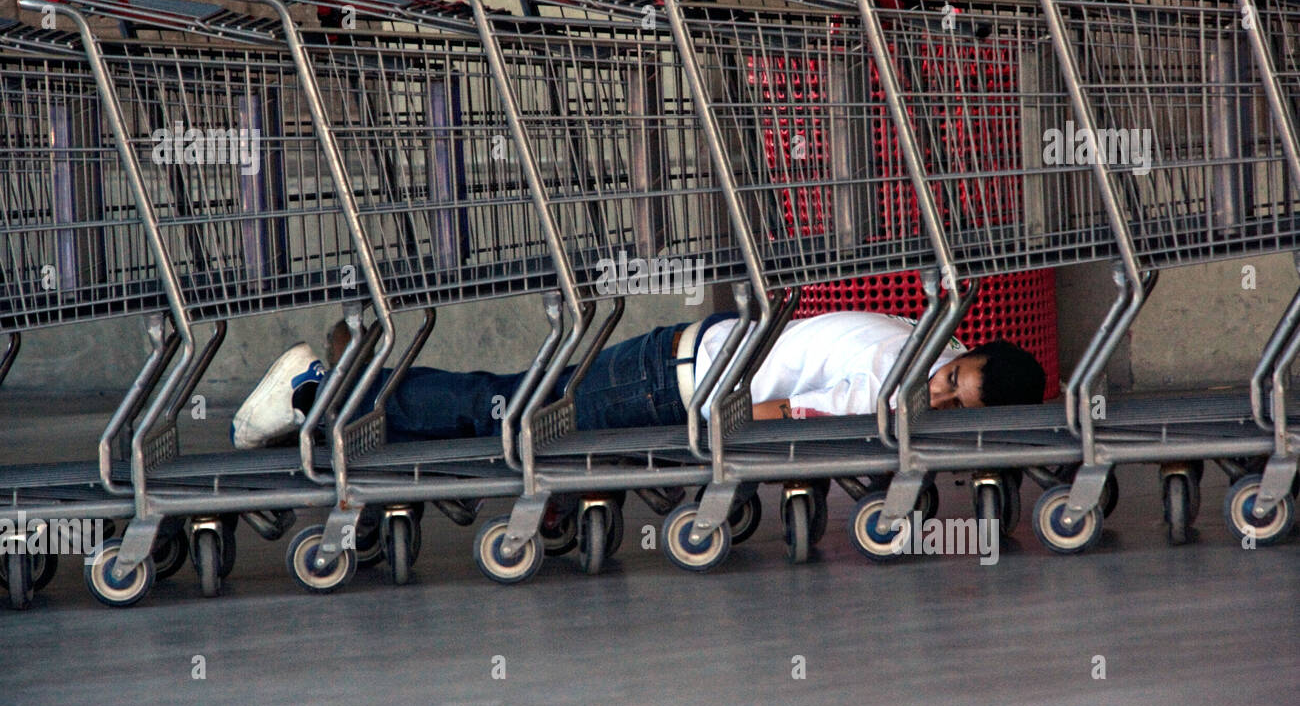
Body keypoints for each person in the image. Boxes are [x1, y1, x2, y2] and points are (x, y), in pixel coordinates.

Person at [230, 310, 1047, 449]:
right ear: (969, 356)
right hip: (673, 385)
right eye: (955, 380)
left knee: (512, 398)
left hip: (682, 355)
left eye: (954, 401)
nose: (937, 394)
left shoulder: (924, 336)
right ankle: (319, 388)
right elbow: (775, 414)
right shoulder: (893, 379)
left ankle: (346, 390)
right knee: (508, 412)